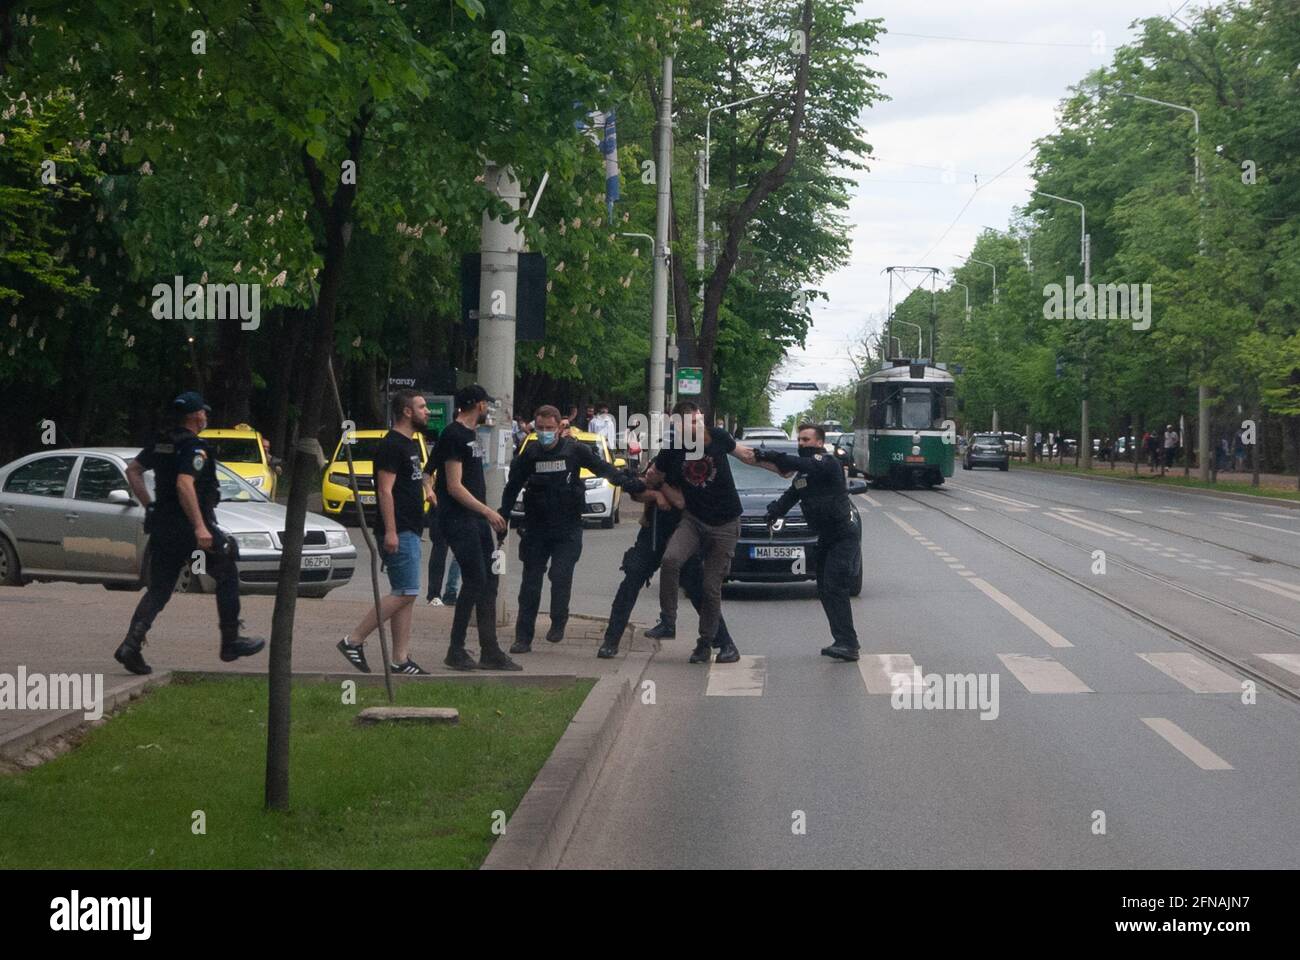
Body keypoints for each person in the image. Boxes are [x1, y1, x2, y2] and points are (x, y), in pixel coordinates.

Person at [114, 392, 265, 675]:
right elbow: (185, 484)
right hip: (189, 527)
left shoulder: (162, 442)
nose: (206, 417)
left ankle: (130, 646)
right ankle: (230, 641)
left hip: (163, 527)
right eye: (204, 414)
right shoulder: (195, 447)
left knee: (159, 589)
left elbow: (133, 471)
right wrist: (199, 526)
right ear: (196, 416)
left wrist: (151, 506)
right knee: (226, 570)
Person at [498, 405, 645, 653]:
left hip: (567, 528)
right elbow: (512, 487)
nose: (545, 433)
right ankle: (523, 637)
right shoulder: (530, 454)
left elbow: (604, 469)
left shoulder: (575, 450)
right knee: (530, 584)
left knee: (560, 574)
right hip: (536, 528)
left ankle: (558, 619)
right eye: (541, 428)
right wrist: (503, 517)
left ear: (559, 427)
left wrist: (632, 484)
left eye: (550, 428)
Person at [653, 400, 760, 665]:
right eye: (692, 421)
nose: (698, 424)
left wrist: (780, 466)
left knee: (710, 587)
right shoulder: (672, 450)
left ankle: (706, 643)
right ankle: (668, 621)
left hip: (725, 523)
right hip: (694, 520)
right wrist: (656, 489)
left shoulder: (717, 438)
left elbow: (747, 455)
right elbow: (655, 476)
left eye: (700, 419)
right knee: (670, 559)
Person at [336, 390, 431, 675]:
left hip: (410, 528)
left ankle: (400, 659)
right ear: (407, 412)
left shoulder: (411, 444)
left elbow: (411, 481)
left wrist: (428, 490)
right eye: (422, 407)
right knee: (405, 592)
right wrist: (391, 531)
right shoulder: (392, 445)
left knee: (406, 593)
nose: (427, 411)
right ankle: (353, 640)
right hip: (398, 529)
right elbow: (385, 490)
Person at [598, 464, 738, 659]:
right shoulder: (659, 462)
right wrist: (654, 495)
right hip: (653, 533)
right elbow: (637, 494)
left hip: (683, 535)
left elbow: (681, 501)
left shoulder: (691, 468)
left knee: (698, 591)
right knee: (630, 583)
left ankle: (723, 643)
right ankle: (610, 641)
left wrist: (660, 487)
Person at [755, 424, 862, 660]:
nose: (802, 444)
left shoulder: (827, 462)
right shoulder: (804, 476)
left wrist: (774, 456)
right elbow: (792, 495)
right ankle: (842, 640)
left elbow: (804, 463)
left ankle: (849, 643)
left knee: (835, 586)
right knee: (825, 588)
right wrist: (774, 511)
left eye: (807, 440)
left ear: (819, 443)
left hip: (843, 535)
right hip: (826, 536)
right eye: (800, 440)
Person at [432, 384, 520, 671]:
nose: (489, 409)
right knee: (475, 580)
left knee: (489, 581)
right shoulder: (454, 435)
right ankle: (455, 649)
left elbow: (426, 471)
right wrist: (488, 512)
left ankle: (490, 649)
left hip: (476, 518)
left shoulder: (471, 435)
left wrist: (483, 514)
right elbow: (454, 486)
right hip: (459, 519)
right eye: (487, 404)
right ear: (478, 405)